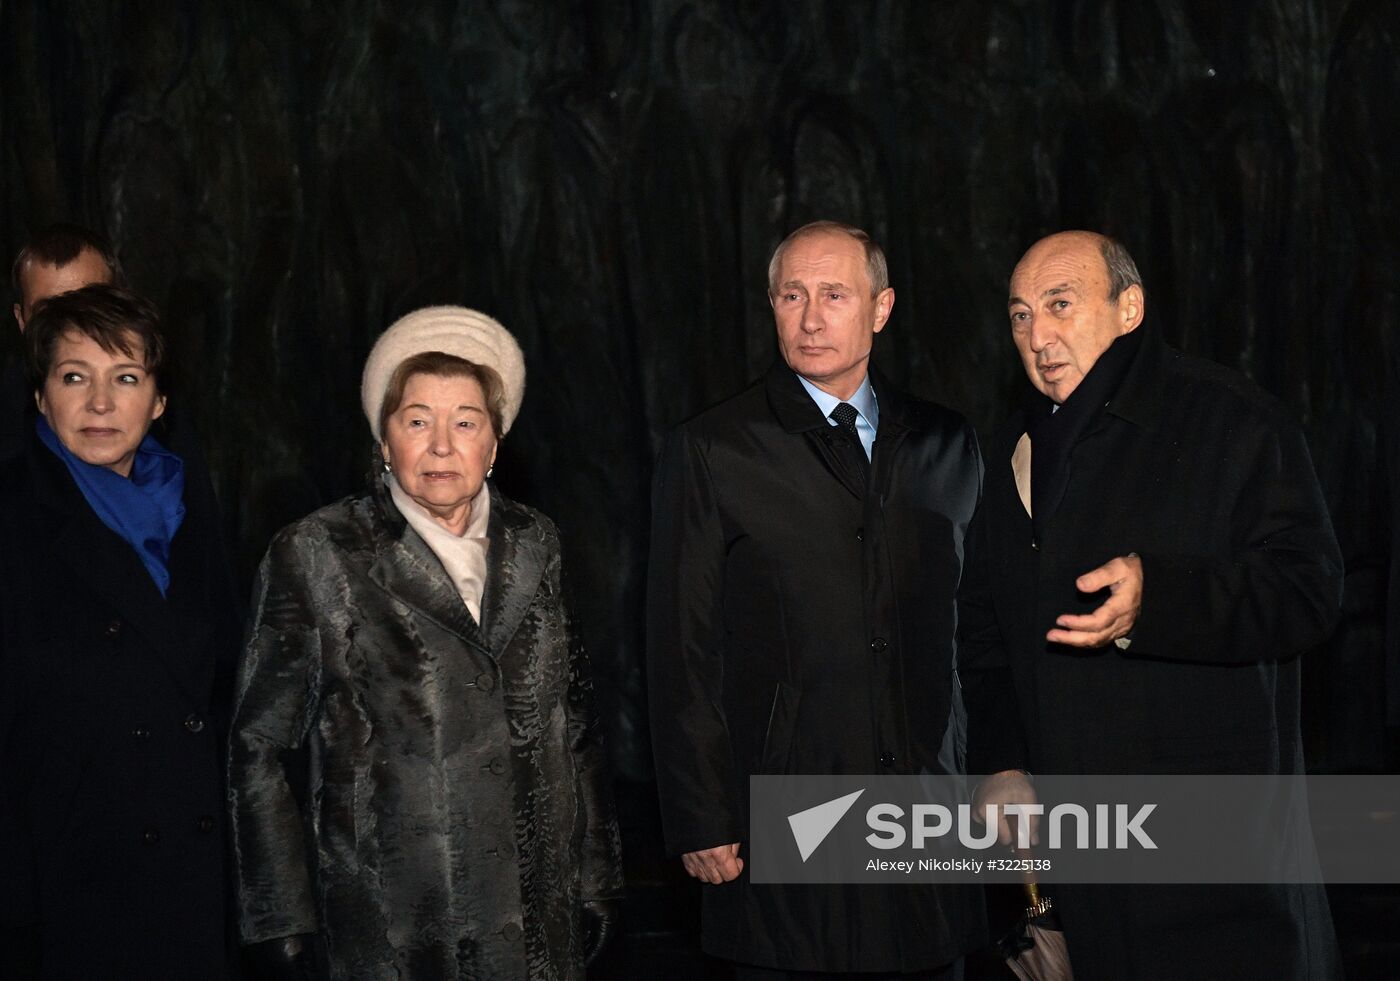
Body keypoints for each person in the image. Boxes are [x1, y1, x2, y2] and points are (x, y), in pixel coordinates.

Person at [958, 230, 1342, 979]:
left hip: (1219, 876)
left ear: (1128, 307)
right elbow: (984, 638)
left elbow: (1311, 589)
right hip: (1079, 880)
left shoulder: (1232, 420)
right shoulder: (1005, 453)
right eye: (1020, 315)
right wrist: (1002, 768)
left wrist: (1158, 600)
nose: (1038, 335)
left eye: (1061, 305)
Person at [228, 306, 624, 980]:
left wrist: (595, 876)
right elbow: (260, 747)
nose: (442, 445)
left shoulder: (539, 543)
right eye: (417, 421)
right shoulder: (320, 553)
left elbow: (577, 724)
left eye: (465, 422)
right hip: (397, 933)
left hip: (538, 930)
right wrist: (280, 918)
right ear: (384, 441)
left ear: (495, 445)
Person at [647, 220, 986, 978]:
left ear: (882, 306)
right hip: (788, 811)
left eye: (834, 294)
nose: (810, 317)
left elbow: (978, 631)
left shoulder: (947, 442)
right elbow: (681, 644)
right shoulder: (714, 448)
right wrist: (701, 814)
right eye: (791, 295)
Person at [0, 284, 241, 978]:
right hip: (71, 897)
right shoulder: (13, 519)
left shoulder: (191, 507)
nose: (101, 403)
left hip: (194, 890)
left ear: (158, 400)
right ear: (41, 396)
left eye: (126, 377)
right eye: (75, 376)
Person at [4, 224, 121, 459]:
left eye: (87, 306)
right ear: (22, 320)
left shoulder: (159, 415)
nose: (70, 326)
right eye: (49, 312)